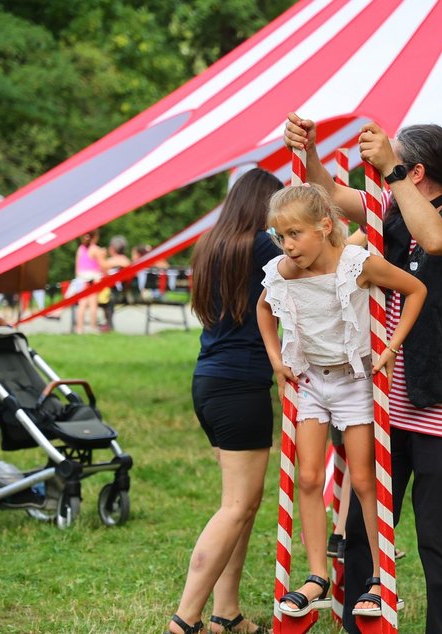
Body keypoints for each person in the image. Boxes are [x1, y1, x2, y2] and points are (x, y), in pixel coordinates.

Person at [284, 114, 442, 634]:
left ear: (415, 172)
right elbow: (329, 194)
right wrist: (308, 151)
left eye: (399, 163)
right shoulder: (389, 210)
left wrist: (390, 170)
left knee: (439, 539)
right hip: (385, 404)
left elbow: (438, 239)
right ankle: (360, 625)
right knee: (362, 527)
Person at [257, 184, 426, 618]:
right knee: (308, 479)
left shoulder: (357, 264)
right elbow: (263, 309)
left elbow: (415, 289)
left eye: (295, 233)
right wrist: (278, 361)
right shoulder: (283, 271)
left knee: (365, 481)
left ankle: (376, 575)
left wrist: (391, 347)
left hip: (354, 381)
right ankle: (316, 576)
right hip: (312, 381)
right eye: (280, 235)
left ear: (325, 226)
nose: (288, 245)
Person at [165, 168, 284, 634]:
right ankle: (185, 619)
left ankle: (226, 613)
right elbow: (314, 266)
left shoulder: (212, 244)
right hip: (240, 386)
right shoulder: (260, 247)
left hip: (210, 380)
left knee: (243, 502)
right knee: (236, 505)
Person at [72, 230, 107, 334]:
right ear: (95, 237)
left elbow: (77, 267)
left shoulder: (80, 249)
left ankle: (79, 328)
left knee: (82, 304)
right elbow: (102, 265)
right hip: (92, 278)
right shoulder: (95, 249)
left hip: (81, 278)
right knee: (93, 303)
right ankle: (93, 327)